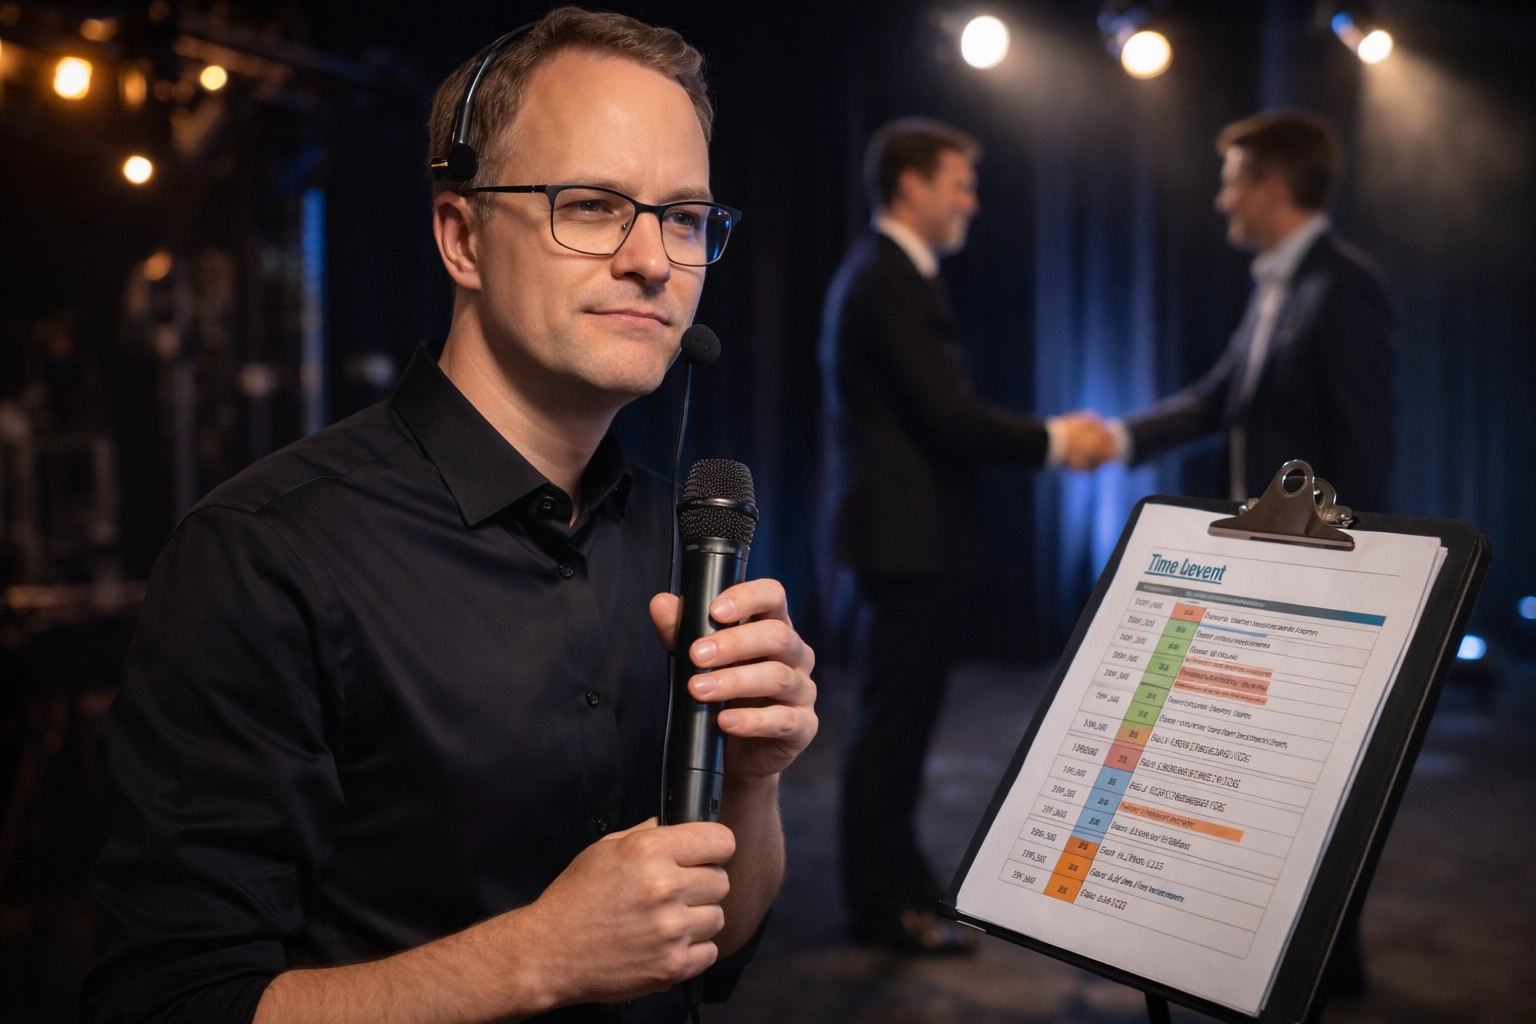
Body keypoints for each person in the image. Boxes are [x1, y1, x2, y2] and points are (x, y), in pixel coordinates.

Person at [82, 9, 818, 1023]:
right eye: (594, 205)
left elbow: (706, 954)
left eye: (685, 217)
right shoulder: (264, 554)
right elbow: (166, 1001)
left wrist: (753, 783)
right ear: (461, 236)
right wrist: (538, 956)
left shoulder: (679, 534)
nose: (655, 259)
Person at [820, 118, 1113, 953]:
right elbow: (950, 419)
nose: (971, 200)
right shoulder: (885, 278)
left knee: (898, 730)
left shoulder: (892, 275)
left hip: (907, 542)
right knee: (891, 732)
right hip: (904, 545)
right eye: (957, 182)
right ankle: (883, 905)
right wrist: (1060, 441)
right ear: (912, 185)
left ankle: (901, 885)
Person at [1102, 109, 1396, 512]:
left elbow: (1363, 446)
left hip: (1306, 555)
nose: (1222, 202)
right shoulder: (1277, 282)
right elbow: (1221, 399)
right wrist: (1117, 438)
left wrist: (1337, 554)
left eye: (1230, 185)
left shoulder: (1344, 286)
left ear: (1270, 189)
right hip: (1259, 543)